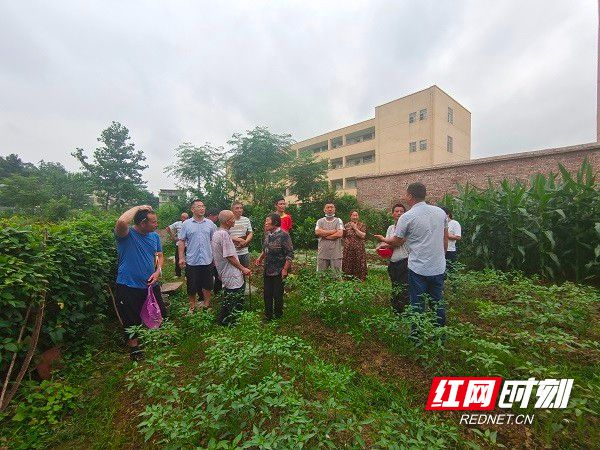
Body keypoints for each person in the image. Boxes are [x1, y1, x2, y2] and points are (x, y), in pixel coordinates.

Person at [375, 183, 448, 335]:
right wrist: (441, 256)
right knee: (437, 302)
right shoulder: (440, 212)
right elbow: (445, 239)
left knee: (417, 303)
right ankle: (440, 334)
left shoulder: (407, 217)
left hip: (418, 268)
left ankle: (417, 337)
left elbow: (397, 241)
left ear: (409, 196)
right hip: (438, 266)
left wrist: (383, 239)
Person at [114, 205, 167, 360]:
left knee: (159, 312)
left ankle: (157, 340)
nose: (157, 225)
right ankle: (135, 349)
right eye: (153, 222)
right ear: (143, 222)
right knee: (131, 317)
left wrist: (157, 271)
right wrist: (139, 207)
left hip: (150, 285)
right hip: (128, 285)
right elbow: (122, 221)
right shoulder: (126, 235)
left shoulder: (154, 237)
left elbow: (159, 255)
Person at [211, 210, 252, 325]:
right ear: (228, 221)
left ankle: (229, 319)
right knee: (233, 296)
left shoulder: (218, 232)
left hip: (223, 270)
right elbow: (229, 256)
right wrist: (243, 268)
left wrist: (235, 240)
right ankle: (228, 321)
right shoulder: (224, 235)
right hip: (230, 271)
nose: (235, 220)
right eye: (233, 218)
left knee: (230, 295)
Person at [178, 199, 217, 313]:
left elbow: (213, 241)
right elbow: (181, 241)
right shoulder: (186, 224)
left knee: (208, 284)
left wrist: (215, 257)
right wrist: (181, 257)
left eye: (203, 206)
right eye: (199, 206)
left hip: (207, 259)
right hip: (192, 260)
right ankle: (192, 306)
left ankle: (206, 305)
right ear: (192, 209)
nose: (202, 208)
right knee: (191, 285)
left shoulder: (210, 224)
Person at [256, 213, 294, 321]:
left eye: (268, 220)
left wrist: (285, 269)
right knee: (267, 293)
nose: (266, 223)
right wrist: (260, 258)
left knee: (277, 294)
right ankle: (268, 315)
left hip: (279, 270)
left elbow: (290, 254)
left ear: (275, 223)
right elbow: (265, 250)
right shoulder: (268, 234)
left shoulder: (284, 235)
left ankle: (278, 316)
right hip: (268, 269)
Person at [377, 203, 409, 313]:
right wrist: (382, 246)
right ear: (392, 214)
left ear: (405, 214)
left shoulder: (407, 227)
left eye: (402, 211)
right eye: (396, 211)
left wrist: (383, 244)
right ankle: (395, 309)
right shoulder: (391, 228)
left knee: (404, 287)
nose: (399, 213)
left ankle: (403, 311)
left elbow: (398, 242)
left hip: (404, 261)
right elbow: (387, 240)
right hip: (392, 261)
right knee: (394, 284)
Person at [315, 203, 344, 274]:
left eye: (332, 207)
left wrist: (325, 235)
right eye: (328, 207)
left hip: (336, 254)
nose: (330, 209)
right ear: (324, 210)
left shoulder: (338, 220)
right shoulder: (320, 221)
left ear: (334, 209)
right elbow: (317, 232)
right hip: (322, 254)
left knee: (337, 276)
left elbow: (340, 233)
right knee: (320, 276)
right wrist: (333, 231)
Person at [342, 211, 367, 281]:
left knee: (359, 262)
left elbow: (363, 236)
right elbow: (343, 236)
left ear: (358, 216)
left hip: (359, 248)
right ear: (350, 217)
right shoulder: (346, 225)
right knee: (347, 262)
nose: (355, 217)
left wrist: (355, 228)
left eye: (356, 215)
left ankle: (359, 278)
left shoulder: (362, 225)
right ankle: (347, 278)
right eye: (353, 215)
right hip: (348, 248)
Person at [229, 201, 253, 268]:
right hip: (232, 253)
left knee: (245, 272)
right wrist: (237, 240)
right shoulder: (228, 220)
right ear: (232, 210)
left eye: (241, 208)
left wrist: (245, 242)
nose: (239, 210)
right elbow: (224, 235)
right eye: (237, 208)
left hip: (244, 252)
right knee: (235, 274)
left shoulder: (246, 220)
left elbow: (250, 233)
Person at [165, 212, 189, 277]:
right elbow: (168, 228)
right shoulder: (177, 223)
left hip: (188, 245)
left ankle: (187, 274)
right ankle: (178, 274)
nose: (185, 219)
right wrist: (173, 237)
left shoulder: (190, 224)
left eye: (186, 218)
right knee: (177, 258)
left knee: (189, 259)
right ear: (181, 218)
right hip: (179, 244)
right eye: (184, 217)